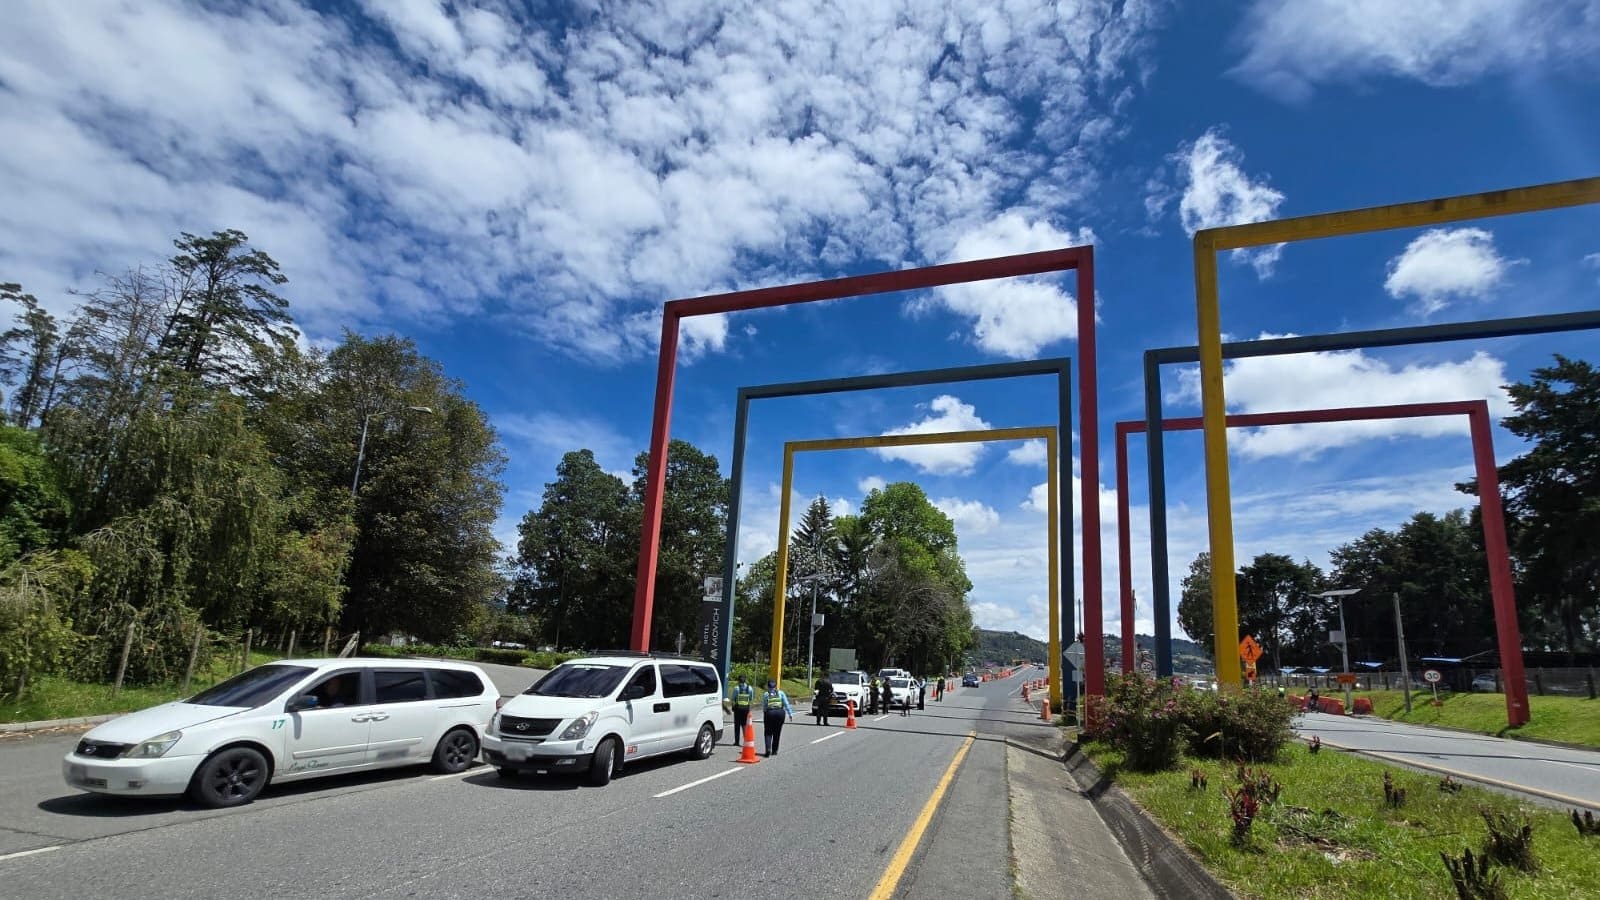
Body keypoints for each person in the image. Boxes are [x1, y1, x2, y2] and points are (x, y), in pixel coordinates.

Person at [761, 679, 794, 756]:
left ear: (768, 686)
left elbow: (764, 706)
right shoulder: (781, 693)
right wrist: (790, 714)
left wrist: (765, 714)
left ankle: (768, 749)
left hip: (770, 713)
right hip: (780, 713)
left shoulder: (766, 694)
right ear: (775, 686)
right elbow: (786, 703)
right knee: (777, 732)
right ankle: (774, 750)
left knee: (768, 732)